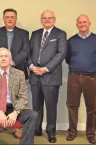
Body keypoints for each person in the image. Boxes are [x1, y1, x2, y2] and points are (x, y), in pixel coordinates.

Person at [0, 47, 37, 145]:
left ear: (10, 60)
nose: (3, 58)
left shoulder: (19, 74)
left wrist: (16, 112)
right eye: (1, 56)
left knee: (32, 115)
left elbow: (23, 97)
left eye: (6, 56)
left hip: (14, 107)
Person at [27, 10, 67, 143]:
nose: (47, 20)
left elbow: (61, 54)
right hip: (34, 75)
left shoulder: (60, 34)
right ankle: (37, 129)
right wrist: (32, 66)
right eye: (44, 18)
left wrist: (45, 69)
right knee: (36, 105)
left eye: (50, 18)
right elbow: (28, 52)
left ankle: (51, 131)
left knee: (51, 106)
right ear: (41, 19)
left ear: (54, 19)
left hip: (50, 76)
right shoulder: (35, 34)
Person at [65, 15, 96, 144]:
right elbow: (68, 58)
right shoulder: (71, 41)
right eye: (80, 22)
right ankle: (72, 132)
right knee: (72, 106)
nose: (82, 24)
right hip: (74, 76)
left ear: (89, 23)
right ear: (77, 24)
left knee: (91, 108)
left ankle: (91, 134)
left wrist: (89, 67)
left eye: (85, 22)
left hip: (91, 77)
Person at [0, 8, 30, 79]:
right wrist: (2, 62)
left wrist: (12, 62)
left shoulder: (24, 33)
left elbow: (25, 51)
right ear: (3, 19)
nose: (10, 19)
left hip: (18, 69)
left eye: (12, 17)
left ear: (16, 19)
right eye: (7, 17)